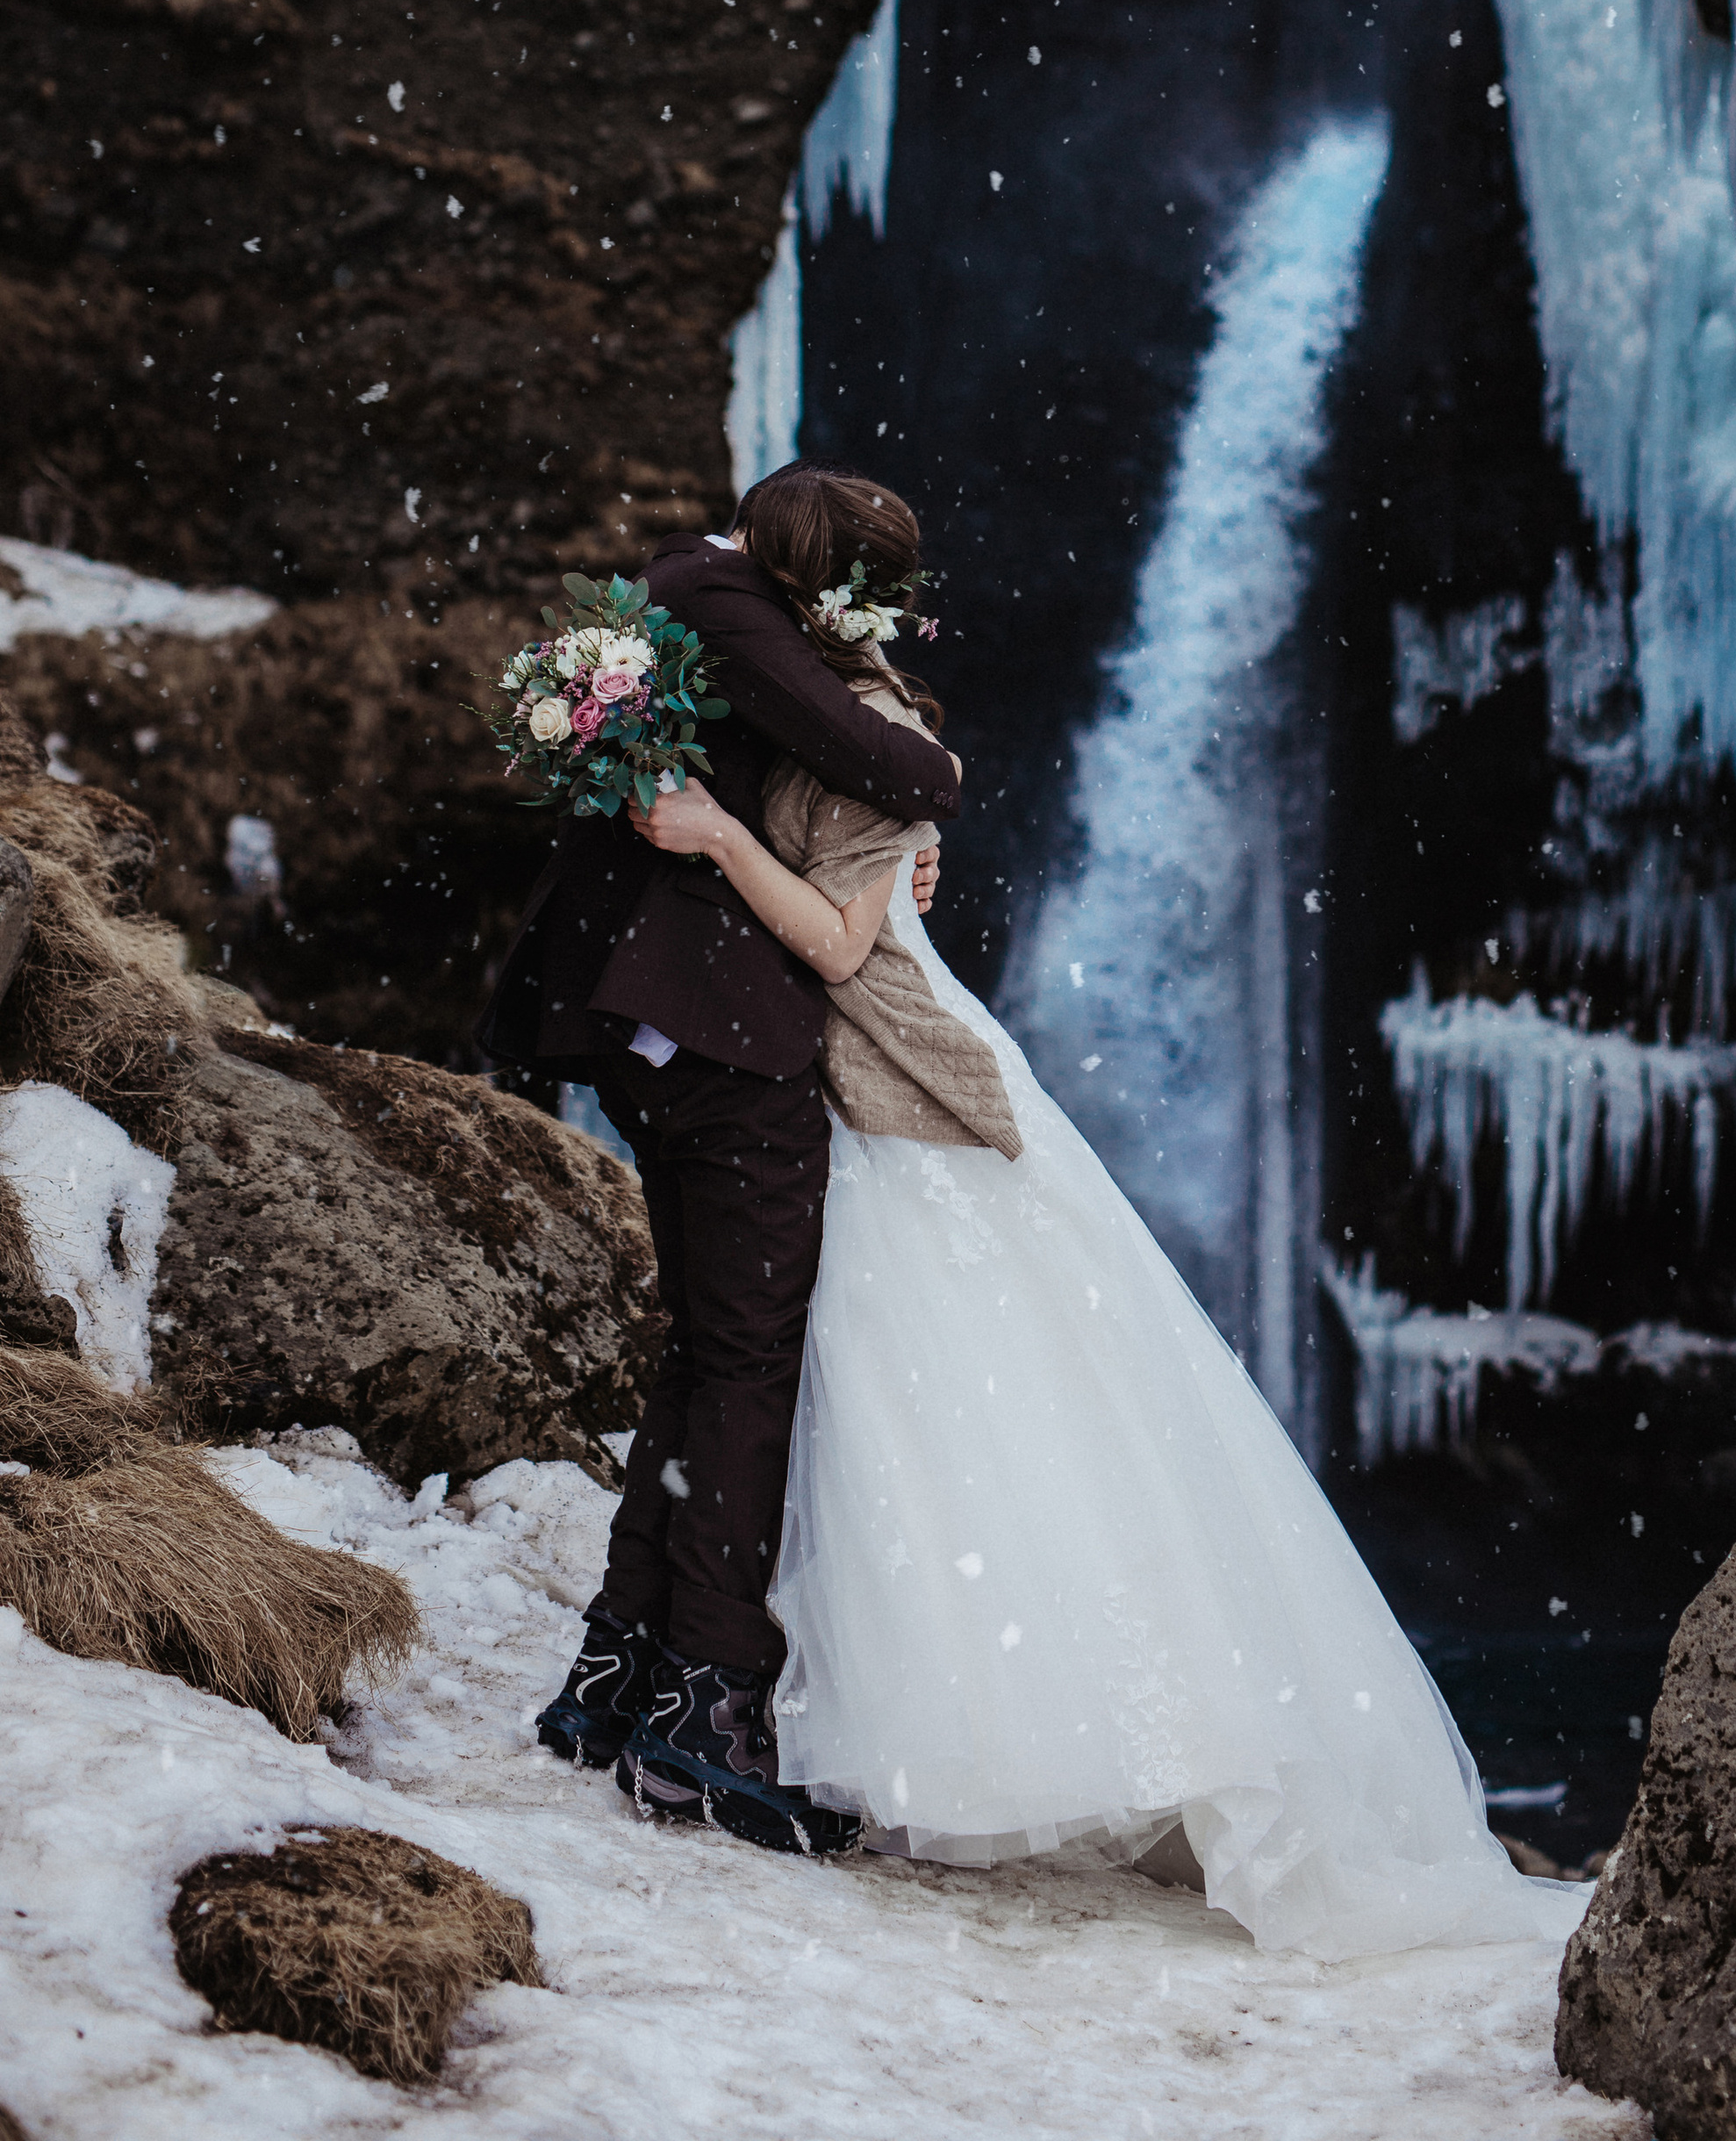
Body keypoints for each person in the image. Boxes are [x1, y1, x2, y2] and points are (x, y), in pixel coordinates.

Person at [577, 459, 1581, 1960]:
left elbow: (845, 947)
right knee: (806, 1377)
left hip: (899, 1090)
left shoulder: (870, 730)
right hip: (835, 1093)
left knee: (887, 1392)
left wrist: (726, 840)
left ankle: (856, 1713)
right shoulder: (813, 705)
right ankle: (701, 1684)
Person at [480, 465, 961, 1852]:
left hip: (661, 1019)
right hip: (719, 1031)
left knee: (705, 1351)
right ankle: (709, 1714)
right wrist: (918, 807)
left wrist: (894, 850)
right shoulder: (726, 597)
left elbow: (843, 776)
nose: (854, 620)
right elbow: (904, 766)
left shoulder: (683, 589)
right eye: (858, 591)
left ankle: (619, 1674)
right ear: (814, 568)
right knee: (752, 1362)